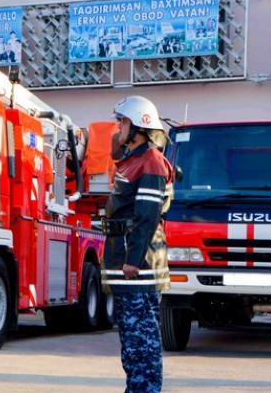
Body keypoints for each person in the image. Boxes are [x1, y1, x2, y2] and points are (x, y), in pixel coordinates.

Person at [101, 96, 173, 393]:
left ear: (138, 126)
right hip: (125, 260)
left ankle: (146, 390)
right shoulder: (131, 160)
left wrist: (133, 259)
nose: (118, 127)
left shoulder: (151, 161)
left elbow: (146, 217)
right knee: (131, 340)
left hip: (138, 265)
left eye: (123, 122)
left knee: (143, 339)